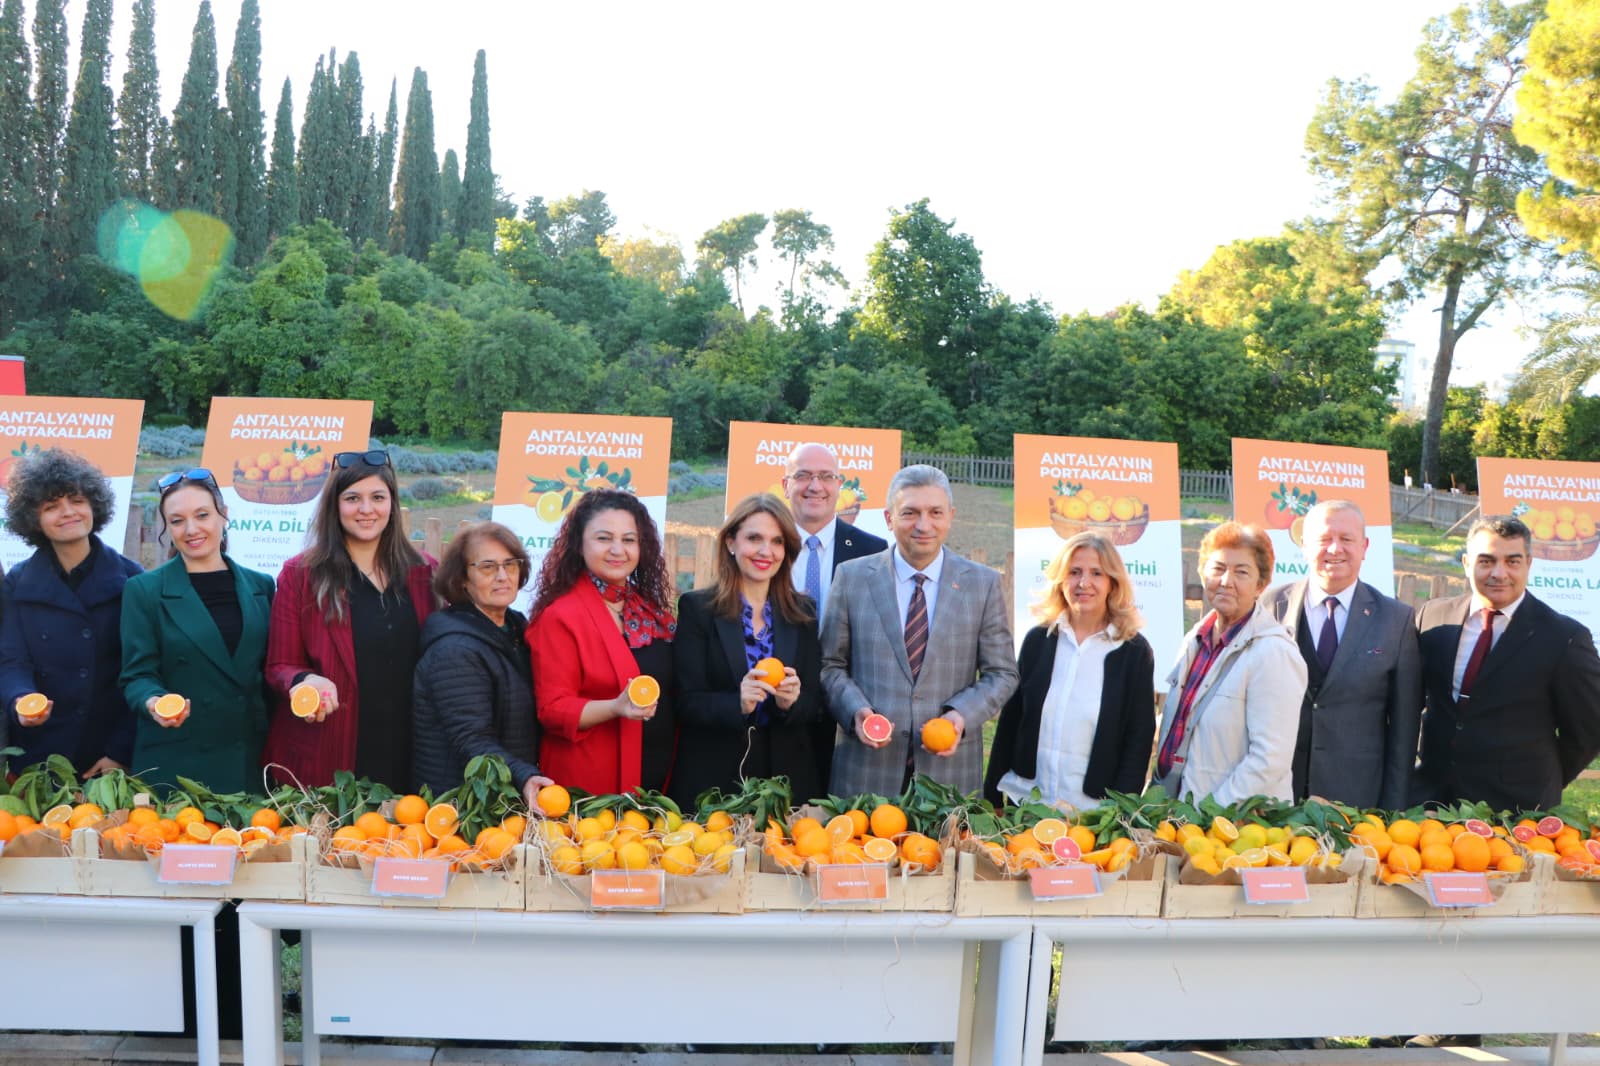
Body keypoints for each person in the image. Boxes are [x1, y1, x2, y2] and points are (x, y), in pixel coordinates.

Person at [821, 464, 1017, 796]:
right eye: (910, 513)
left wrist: (961, 715)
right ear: (889, 518)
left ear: (950, 516)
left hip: (949, 777)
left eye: (935, 512)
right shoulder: (852, 578)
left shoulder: (982, 584)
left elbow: (1002, 673)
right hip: (865, 773)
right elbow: (830, 664)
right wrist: (855, 710)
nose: (924, 525)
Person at [261, 450, 437, 791]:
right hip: (331, 749)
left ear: (392, 504)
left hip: (407, 749)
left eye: (378, 497)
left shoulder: (424, 571)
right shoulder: (301, 575)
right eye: (353, 498)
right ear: (335, 505)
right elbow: (279, 665)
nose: (366, 509)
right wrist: (305, 680)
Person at [1414, 514, 1600, 811]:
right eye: (1486, 561)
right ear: (1466, 563)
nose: (1499, 573)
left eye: (1512, 561)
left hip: (1515, 810)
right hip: (1431, 801)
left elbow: (1589, 729)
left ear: (1529, 564)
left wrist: (1543, 779)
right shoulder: (1432, 617)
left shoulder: (1564, 638)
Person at [119, 469, 274, 795]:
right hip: (178, 762)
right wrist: (153, 701)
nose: (191, 529)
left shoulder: (261, 586)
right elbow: (136, 676)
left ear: (223, 515)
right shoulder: (144, 590)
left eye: (202, 515)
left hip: (249, 759)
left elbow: (270, 671)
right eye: (177, 521)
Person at [1265, 501, 1422, 809]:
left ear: (1364, 547)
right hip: (1274, 795)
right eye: (1324, 539)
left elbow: (1404, 728)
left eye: (1347, 539)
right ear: (1304, 546)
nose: (1335, 549)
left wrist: (1392, 809)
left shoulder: (1396, 620)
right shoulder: (1270, 607)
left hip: (1356, 801)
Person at [984, 532, 1155, 808]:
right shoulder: (1038, 640)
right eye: (1074, 572)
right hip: (1028, 803)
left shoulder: (1133, 652)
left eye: (1096, 573)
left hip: (1093, 813)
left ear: (1112, 582)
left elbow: (1138, 739)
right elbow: (1011, 721)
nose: (1084, 583)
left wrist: (1122, 811)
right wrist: (992, 797)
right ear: (1061, 580)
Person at [0, 449, 143, 778]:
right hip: (40, 753)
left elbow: (141, 671)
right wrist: (21, 699)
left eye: (77, 500)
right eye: (51, 506)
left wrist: (120, 751)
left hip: (107, 755)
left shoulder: (133, 580)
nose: (67, 512)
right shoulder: (19, 582)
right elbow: (11, 660)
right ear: (33, 518)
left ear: (94, 505)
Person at [672, 494, 822, 806]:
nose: (766, 551)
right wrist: (736, 703)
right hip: (715, 781)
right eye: (754, 538)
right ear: (731, 542)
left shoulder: (802, 612)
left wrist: (791, 703)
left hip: (785, 785)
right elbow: (685, 701)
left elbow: (816, 704)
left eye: (777, 541)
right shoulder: (698, 609)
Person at [527, 489, 677, 794]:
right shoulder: (560, 616)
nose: (617, 550)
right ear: (579, 544)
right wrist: (615, 707)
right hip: (591, 788)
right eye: (604, 538)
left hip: (654, 785)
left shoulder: (650, 611)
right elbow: (552, 709)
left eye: (629, 539)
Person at [1152, 521, 1306, 804]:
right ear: (1203, 573)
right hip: (1182, 812)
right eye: (1218, 568)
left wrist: (1213, 812)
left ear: (1261, 585)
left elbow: (1270, 759)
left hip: (1231, 821)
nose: (1226, 581)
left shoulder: (1274, 652)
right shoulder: (1195, 640)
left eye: (1241, 572)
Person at [413, 522, 551, 801]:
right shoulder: (454, 649)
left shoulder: (515, 628)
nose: (502, 576)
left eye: (510, 564)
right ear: (462, 579)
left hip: (499, 794)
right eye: (488, 567)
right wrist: (523, 775)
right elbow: (470, 738)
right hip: (461, 804)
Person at [783, 441, 887, 794]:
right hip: (780, 703)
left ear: (839, 485)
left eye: (826, 476)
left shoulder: (872, 551)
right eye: (803, 475)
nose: (815, 486)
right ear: (786, 485)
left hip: (848, 709)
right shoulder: (767, 545)